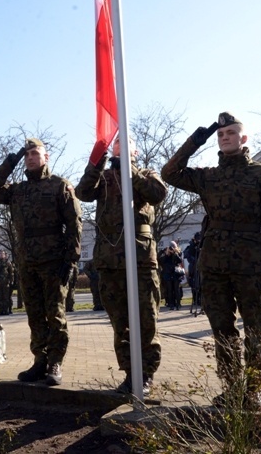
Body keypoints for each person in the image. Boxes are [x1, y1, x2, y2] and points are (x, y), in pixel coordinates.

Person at [161, 112, 261, 402]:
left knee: (255, 326)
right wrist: (197, 139)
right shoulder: (209, 176)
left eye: (230, 132)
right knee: (222, 330)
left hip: (250, 262)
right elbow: (170, 174)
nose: (225, 136)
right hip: (214, 263)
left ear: (243, 138)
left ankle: (253, 391)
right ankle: (231, 389)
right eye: (220, 134)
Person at [0, 138, 82, 386]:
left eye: (35, 153)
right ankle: (40, 361)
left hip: (54, 261)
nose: (30, 158)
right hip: (27, 262)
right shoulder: (18, 190)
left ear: (46, 157)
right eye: (27, 155)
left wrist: (71, 261)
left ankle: (55, 363)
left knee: (55, 314)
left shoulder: (60, 186)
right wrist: (9, 162)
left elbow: (74, 224)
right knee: (34, 315)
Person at [75, 136, 167, 395]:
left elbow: (157, 193)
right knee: (120, 321)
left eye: (126, 142)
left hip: (139, 258)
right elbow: (83, 192)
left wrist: (130, 169)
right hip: (109, 259)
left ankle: (146, 374)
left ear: (135, 150)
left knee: (146, 318)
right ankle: (129, 373)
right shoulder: (102, 178)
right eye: (117, 142)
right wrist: (98, 161)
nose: (120, 145)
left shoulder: (146, 173)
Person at [158, 241, 184, 310]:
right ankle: (171, 304)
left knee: (176, 289)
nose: (171, 249)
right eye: (170, 247)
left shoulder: (178, 253)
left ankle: (178, 304)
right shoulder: (165, 253)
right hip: (168, 273)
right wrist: (167, 254)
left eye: (173, 247)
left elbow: (180, 260)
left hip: (176, 273)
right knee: (169, 289)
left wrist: (175, 253)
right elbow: (161, 261)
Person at [183, 232, 202, 310]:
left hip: (201, 267)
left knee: (201, 284)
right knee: (194, 285)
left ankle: (201, 300)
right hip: (193, 268)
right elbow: (188, 255)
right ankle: (195, 299)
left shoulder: (202, 245)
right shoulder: (191, 246)